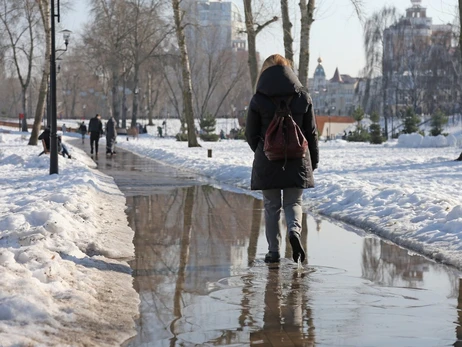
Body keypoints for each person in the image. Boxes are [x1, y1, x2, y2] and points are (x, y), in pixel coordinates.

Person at [245, 54, 319, 264]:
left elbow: (250, 133)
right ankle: (294, 232)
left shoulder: (259, 98)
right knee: (294, 202)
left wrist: (261, 151)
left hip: (268, 159)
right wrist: (312, 160)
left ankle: (273, 251)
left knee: (271, 206)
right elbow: (311, 132)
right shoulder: (303, 96)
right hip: (297, 159)